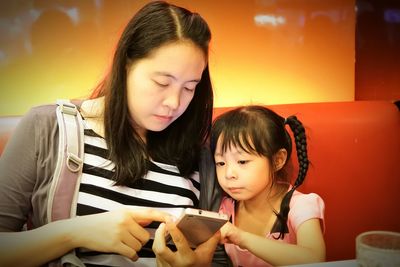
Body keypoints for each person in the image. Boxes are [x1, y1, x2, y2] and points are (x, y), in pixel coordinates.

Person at [0, 1, 228, 266]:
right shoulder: (48, 127)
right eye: (162, 82)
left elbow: (221, 254)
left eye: (190, 87)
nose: (174, 102)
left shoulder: (200, 154)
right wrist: (74, 233)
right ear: (126, 64)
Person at [210, 105, 326, 266]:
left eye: (242, 161)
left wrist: (240, 237)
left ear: (278, 160)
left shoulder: (300, 206)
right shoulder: (225, 209)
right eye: (221, 163)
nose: (229, 174)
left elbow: (315, 259)